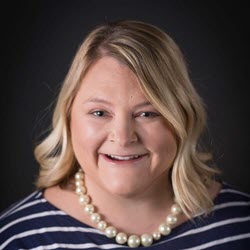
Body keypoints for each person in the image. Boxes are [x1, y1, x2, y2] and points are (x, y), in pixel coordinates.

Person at [0, 20, 249, 250]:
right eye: (99, 112)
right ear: (68, 118)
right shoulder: (17, 239)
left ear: (182, 119)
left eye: (147, 114)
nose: (122, 137)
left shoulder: (242, 228)